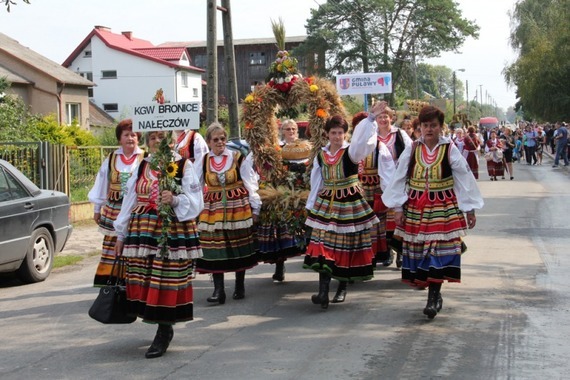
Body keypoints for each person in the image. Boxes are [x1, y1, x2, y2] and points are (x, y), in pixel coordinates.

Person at [382, 105, 483, 319]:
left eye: (433, 126)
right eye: (425, 125)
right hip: (416, 209)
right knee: (421, 254)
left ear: (440, 127)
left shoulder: (449, 149)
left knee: (435, 252)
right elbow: (399, 178)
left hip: (443, 209)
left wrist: (470, 209)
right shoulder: (413, 149)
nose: (429, 129)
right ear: (420, 128)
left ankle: (433, 297)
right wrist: (398, 207)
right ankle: (434, 295)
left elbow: (464, 178)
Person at [113, 130, 204, 359]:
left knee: (166, 278)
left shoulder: (183, 166)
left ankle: (164, 329)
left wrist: (174, 200)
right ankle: (158, 323)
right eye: (152, 138)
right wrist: (120, 234)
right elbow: (129, 200)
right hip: (143, 232)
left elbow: (196, 202)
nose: (157, 142)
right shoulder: (142, 166)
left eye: (162, 137)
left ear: (172, 141)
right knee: (144, 278)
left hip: (171, 231)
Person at [303, 105, 385, 310]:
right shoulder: (321, 156)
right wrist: (311, 206)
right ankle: (323, 292)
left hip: (348, 203)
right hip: (326, 204)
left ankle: (341, 287)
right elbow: (317, 182)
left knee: (343, 247)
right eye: (333, 133)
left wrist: (371, 119)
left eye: (340, 132)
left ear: (345, 134)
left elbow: (362, 142)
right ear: (327, 134)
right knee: (322, 244)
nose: (337, 136)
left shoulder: (351, 152)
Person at [196, 122, 260, 304]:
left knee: (239, 246)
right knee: (215, 249)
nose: (220, 142)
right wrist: (195, 210)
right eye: (215, 139)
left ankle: (240, 285)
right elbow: (196, 187)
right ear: (208, 141)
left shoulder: (238, 157)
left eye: (223, 138)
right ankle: (219, 290)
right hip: (212, 210)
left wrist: (256, 208)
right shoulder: (203, 161)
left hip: (237, 208)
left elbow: (250, 184)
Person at [88, 119, 145, 287]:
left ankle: (133, 284)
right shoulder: (112, 158)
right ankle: (111, 284)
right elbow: (101, 183)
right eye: (126, 135)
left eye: (133, 135)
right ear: (119, 138)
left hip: (136, 210)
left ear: (138, 138)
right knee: (112, 246)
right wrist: (97, 208)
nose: (130, 138)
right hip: (114, 210)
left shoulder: (145, 157)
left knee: (133, 245)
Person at [257, 119, 312, 282]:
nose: (291, 131)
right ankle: (279, 265)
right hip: (283, 192)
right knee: (280, 229)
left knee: (309, 226)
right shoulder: (277, 149)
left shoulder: (306, 147)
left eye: (293, 128)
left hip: (303, 192)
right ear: (282, 131)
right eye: (288, 129)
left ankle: (311, 257)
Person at [352, 110, 396, 298]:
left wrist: (389, 193)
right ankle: (360, 259)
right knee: (358, 226)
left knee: (377, 225)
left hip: (375, 189)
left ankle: (375, 256)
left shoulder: (380, 146)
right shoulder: (351, 147)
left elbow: (387, 170)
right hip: (356, 191)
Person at [374, 103, 413, 266]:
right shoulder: (372, 136)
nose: (383, 119)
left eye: (385, 116)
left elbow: (411, 151)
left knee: (400, 217)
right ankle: (388, 251)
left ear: (392, 118)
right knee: (383, 220)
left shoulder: (400, 134)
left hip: (399, 178)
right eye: (380, 116)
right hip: (379, 181)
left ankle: (400, 253)